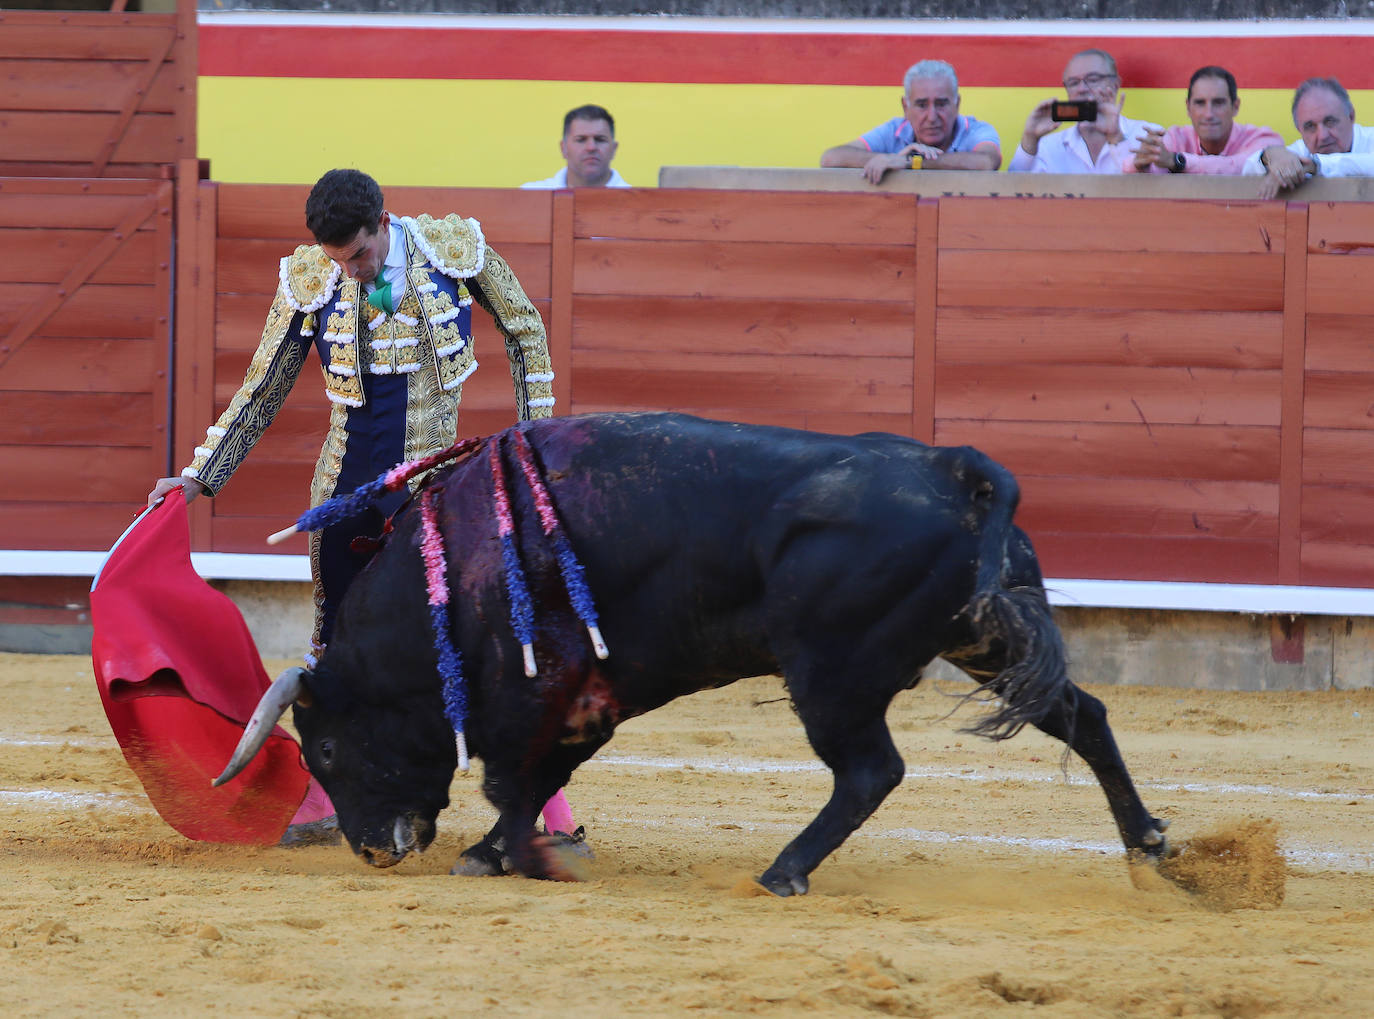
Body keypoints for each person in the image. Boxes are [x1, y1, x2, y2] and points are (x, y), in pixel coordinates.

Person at [147, 169, 583, 848]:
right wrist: (200, 476)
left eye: (359, 255)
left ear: (384, 220)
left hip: (438, 489)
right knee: (335, 653)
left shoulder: (453, 248)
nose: (352, 270)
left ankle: (550, 820)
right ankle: (324, 798)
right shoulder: (312, 279)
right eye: (338, 260)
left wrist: (536, 440)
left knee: (485, 641)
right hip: (346, 497)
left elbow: (526, 334)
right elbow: (263, 389)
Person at [819, 59, 1002, 184]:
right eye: (922, 105)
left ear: (957, 104)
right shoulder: (895, 130)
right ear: (905, 107)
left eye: (941, 104)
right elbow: (831, 158)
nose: (932, 117)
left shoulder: (977, 130)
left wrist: (910, 162)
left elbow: (987, 162)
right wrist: (890, 159)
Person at [1009, 48, 1160, 174]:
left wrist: (1116, 138)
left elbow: (1154, 192)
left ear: (1115, 85)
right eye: (1074, 83)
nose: (1082, 89)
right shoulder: (1049, 146)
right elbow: (1011, 190)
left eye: (1093, 79)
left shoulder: (1148, 134)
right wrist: (1030, 138)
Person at [1129, 65, 1282, 175]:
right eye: (1200, 103)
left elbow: (1243, 167)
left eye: (1218, 103)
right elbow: (1131, 166)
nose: (1209, 114)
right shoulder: (1175, 137)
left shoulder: (1263, 139)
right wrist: (1142, 164)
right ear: (1188, 108)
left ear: (1235, 106)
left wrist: (1178, 162)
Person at [1243, 77, 1374, 198]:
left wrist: (1317, 165)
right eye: (1310, 126)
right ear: (1299, 129)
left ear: (1351, 116)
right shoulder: (1301, 152)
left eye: (1330, 122)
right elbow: (1246, 171)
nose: (1322, 135)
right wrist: (1269, 156)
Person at [522, 104, 630, 189]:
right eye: (581, 140)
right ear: (563, 148)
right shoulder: (530, 196)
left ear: (614, 149)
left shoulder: (638, 203)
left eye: (600, 139)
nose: (591, 147)